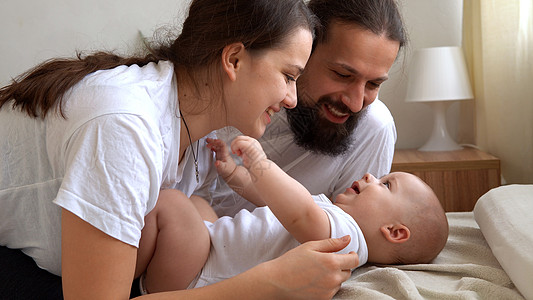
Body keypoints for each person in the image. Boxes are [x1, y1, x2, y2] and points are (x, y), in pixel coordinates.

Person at [0, 0, 359, 299]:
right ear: (233, 59)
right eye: (289, 76)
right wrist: (268, 283)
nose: (293, 99)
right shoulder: (125, 127)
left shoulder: (201, 136)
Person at [135, 136, 449, 294]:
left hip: (199, 278)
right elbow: (274, 202)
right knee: (199, 206)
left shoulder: (346, 239)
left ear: (394, 231)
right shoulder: (332, 218)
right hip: (208, 258)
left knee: (172, 203)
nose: (370, 176)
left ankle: (121, 275)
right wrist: (235, 174)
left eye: (385, 184)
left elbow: (298, 212)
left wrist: (259, 163)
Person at [211, 0, 408, 218]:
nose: (355, 103)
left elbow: (350, 233)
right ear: (304, 51)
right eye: (342, 75)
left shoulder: (373, 129)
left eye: (374, 84)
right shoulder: (241, 87)